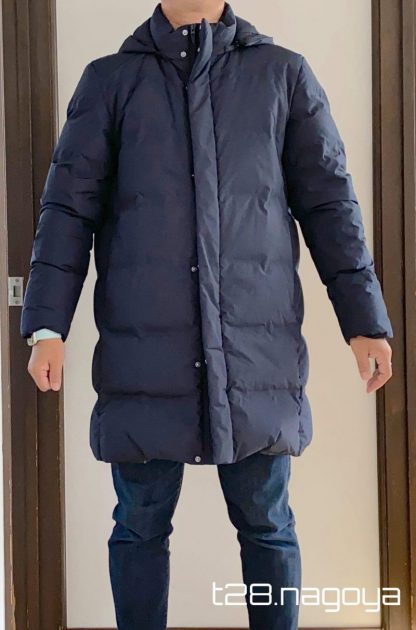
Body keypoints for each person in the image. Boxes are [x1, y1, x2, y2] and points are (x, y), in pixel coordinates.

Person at [20, 2, 394, 628]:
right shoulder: (111, 81)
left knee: (268, 525)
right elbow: (67, 211)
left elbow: (331, 205)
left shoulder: (282, 75)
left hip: (255, 357)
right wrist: (46, 325)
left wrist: (365, 321)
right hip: (144, 357)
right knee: (138, 526)